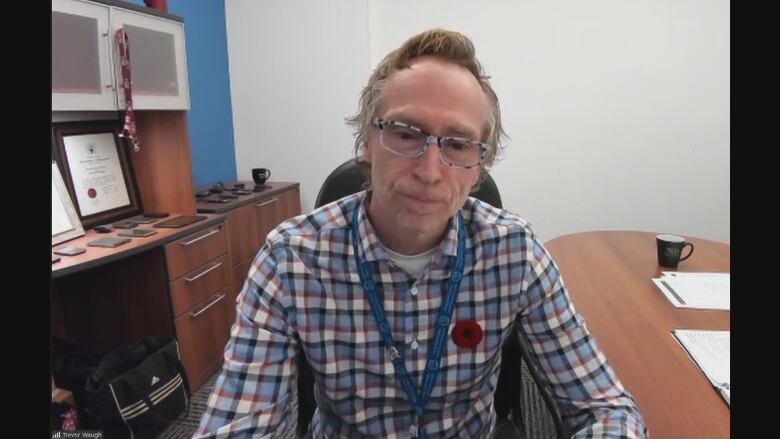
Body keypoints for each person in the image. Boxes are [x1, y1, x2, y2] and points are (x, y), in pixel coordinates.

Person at [195, 28, 647, 438]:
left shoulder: (515, 252)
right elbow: (238, 425)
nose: (431, 172)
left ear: (478, 166)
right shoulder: (290, 259)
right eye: (407, 134)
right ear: (366, 143)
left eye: (456, 143)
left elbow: (606, 410)